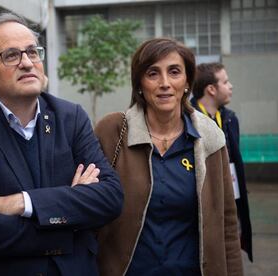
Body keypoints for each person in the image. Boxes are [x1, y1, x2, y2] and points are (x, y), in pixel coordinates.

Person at [0, 12, 123, 275]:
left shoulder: (71, 117)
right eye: (11, 55)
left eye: (33, 52)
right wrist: (69, 220)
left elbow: (110, 198)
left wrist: (23, 203)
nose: (27, 63)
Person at [95, 38, 243, 276]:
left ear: (187, 82)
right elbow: (90, 211)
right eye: (153, 73)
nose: (165, 83)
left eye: (174, 72)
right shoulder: (112, 131)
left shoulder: (211, 139)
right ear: (140, 84)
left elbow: (227, 222)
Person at [191, 62, 252, 262]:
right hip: (201, 203)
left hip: (230, 198)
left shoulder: (230, 119)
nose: (231, 86)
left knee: (229, 252)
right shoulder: (186, 118)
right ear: (211, 89)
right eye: (225, 82)